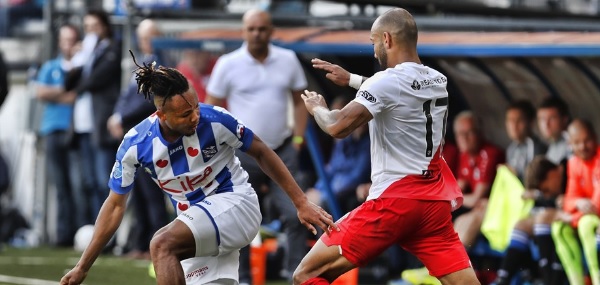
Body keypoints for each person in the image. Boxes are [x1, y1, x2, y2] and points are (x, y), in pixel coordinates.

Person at [59, 54, 336, 285]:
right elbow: (115, 206)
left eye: (195, 106)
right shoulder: (135, 145)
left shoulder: (215, 120)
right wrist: (83, 267)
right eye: (185, 113)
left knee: (161, 244)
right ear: (161, 115)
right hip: (196, 223)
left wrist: (301, 202)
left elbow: (262, 151)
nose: (195, 116)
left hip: (236, 205)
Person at [294, 8, 480, 285]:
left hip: (395, 202)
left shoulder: (386, 81)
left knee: (306, 275)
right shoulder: (438, 80)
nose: (373, 52)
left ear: (387, 39)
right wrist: (353, 80)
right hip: (433, 204)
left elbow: (337, 126)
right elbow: (399, 91)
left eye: (373, 43)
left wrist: (317, 108)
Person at [205, 9, 309, 283]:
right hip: (242, 152)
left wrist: (298, 139)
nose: (256, 34)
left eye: (262, 29)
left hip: (281, 149)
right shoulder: (228, 63)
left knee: (296, 213)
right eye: (251, 29)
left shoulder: (287, 60)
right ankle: (242, 276)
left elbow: (301, 100)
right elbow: (211, 107)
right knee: (237, 215)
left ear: (271, 30)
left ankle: (297, 274)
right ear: (243, 31)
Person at [106, 19, 169, 260]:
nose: (146, 41)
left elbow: (147, 100)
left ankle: (157, 244)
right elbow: (126, 94)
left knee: (152, 194)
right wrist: (117, 116)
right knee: (139, 194)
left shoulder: (161, 66)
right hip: (135, 135)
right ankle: (142, 244)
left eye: (150, 36)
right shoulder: (141, 63)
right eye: (143, 37)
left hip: (152, 137)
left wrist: (122, 116)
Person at [34, 24, 86, 247]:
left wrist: (58, 93)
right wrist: (65, 92)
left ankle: (82, 231)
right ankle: (64, 235)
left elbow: (77, 95)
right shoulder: (51, 66)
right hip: (53, 129)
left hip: (75, 130)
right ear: (59, 42)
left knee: (79, 183)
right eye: (65, 39)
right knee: (61, 185)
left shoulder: (81, 66)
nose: (68, 44)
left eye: (72, 39)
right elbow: (40, 92)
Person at [71, 10, 122, 222]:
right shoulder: (85, 54)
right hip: (82, 124)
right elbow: (69, 82)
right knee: (89, 181)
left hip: (101, 125)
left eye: (94, 26)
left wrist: (87, 56)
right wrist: (78, 59)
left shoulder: (112, 47)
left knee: (104, 181)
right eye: (87, 27)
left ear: (104, 26)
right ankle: (94, 228)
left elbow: (95, 80)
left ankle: (108, 232)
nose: (90, 32)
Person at [491, 156, 566, 285]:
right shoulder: (553, 185)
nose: (546, 195)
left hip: (574, 216)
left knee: (543, 218)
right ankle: (503, 279)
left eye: (545, 190)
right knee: (522, 224)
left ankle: (550, 281)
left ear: (552, 174)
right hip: (556, 217)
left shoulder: (568, 167)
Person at [552, 119, 600, 285]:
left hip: (595, 217)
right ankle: (577, 281)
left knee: (586, 224)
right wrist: (578, 202)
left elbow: (596, 206)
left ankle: (596, 279)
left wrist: (572, 218)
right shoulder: (573, 163)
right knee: (558, 228)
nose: (583, 146)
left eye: (587, 140)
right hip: (587, 215)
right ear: (570, 144)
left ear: (595, 138)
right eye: (577, 142)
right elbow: (569, 199)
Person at [305, 95, 371, 214]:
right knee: (308, 201)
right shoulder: (344, 141)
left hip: (351, 189)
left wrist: (324, 194)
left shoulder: (368, 143)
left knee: (323, 203)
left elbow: (357, 176)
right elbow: (332, 168)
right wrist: (317, 190)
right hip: (338, 187)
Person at [452, 111, 504, 248]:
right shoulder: (464, 155)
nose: (464, 138)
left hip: (494, 209)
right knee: (458, 221)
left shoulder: (489, 154)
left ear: (480, 133)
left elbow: (476, 198)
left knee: (470, 219)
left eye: (470, 132)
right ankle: (439, 266)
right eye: (460, 134)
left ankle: (455, 267)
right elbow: (455, 192)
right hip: (476, 209)